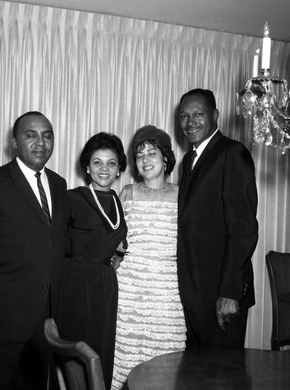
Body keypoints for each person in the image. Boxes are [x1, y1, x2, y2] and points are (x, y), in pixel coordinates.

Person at [0, 111, 67, 389]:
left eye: (47, 135)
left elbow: (56, 247)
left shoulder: (59, 184)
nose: (40, 142)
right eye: (31, 135)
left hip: (43, 325)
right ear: (14, 143)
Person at [177, 88, 258, 350]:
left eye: (198, 114)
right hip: (194, 295)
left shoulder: (232, 153)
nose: (191, 123)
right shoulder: (188, 160)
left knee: (223, 378)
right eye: (184, 116)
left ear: (216, 116)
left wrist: (229, 292)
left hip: (221, 296)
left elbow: (243, 230)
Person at [111, 126, 186, 390]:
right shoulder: (127, 193)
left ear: (166, 157)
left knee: (166, 368)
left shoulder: (183, 195)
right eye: (139, 155)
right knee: (124, 369)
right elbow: (113, 243)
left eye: (151, 153)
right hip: (129, 296)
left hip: (166, 296)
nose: (145, 160)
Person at [55, 132, 128, 389]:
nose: (104, 168)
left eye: (111, 162)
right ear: (87, 166)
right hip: (75, 284)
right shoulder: (73, 198)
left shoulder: (119, 202)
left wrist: (118, 253)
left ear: (120, 168)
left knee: (101, 353)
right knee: (76, 355)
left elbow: (114, 238)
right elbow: (55, 246)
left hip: (105, 286)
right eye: (97, 162)